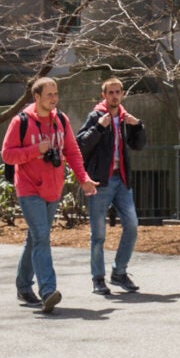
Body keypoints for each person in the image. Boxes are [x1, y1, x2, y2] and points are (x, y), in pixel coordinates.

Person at [1, 76, 98, 313]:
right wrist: (36, 150)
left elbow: (72, 152)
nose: (54, 99)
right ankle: (48, 291)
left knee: (35, 238)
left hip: (53, 189)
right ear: (37, 97)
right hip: (29, 188)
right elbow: (7, 155)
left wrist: (83, 178)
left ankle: (23, 286)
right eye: (49, 95)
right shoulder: (21, 121)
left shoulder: (61, 119)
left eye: (56, 94)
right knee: (42, 237)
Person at [76, 77, 147, 295]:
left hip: (122, 180)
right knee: (98, 234)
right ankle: (98, 279)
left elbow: (138, 145)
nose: (115, 96)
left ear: (123, 94)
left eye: (118, 92)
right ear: (104, 95)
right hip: (101, 182)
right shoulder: (95, 116)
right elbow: (81, 146)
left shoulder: (125, 118)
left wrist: (138, 126)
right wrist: (99, 128)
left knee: (132, 226)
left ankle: (119, 272)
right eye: (111, 93)